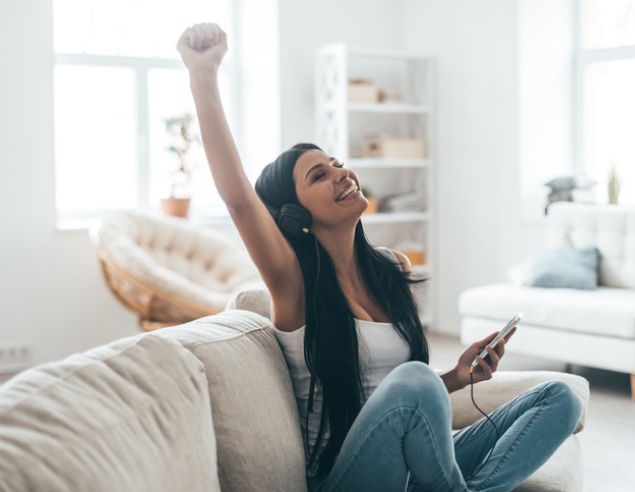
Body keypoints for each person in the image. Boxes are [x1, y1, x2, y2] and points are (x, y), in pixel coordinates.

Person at [177, 22, 583, 492]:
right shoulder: (294, 285)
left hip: (418, 465)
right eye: (318, 176)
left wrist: (457, 375)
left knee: (560, 397)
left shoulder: (391, 268)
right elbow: (240, 201)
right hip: (348, 477)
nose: (341, 174)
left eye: (336, 163)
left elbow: (401, 395)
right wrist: (203, 75)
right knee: (414, 380)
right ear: (293, 218)